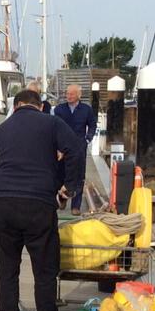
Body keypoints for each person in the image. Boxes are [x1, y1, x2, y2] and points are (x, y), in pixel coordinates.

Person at [0, 88, 82, 311]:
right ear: (40, 106)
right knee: (44, 269)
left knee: (7, 267)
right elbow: (76, 149)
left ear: (16, 106)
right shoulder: (52, 122)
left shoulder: (3, 129)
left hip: (3, 202)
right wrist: (68, 187)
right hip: (39, 204)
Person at [53, 84, 96, 214]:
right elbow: (54, 128)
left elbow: (92, 125)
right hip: (62, 148)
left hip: (79, 148)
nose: (69, 96)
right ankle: (62, 198)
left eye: (71, 94)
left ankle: (75, 206)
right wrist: (56, 146)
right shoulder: (59, 109)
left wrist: (87, 139)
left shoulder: (86, 109)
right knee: (61, 174)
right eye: (67, 93)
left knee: (79, 176)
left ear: (79, 95)